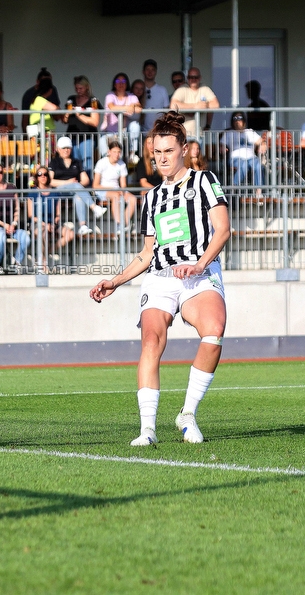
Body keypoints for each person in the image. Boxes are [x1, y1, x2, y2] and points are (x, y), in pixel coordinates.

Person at [90, 111, 230, 446]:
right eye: (157, 152)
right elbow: (148, 252)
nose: (162, 158)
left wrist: (199, 265)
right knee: (152, 340)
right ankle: (147, 430)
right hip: (161, 278)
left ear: (183, 149)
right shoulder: (152, 198)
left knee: (214, 332)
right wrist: (116, 280)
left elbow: (223, 231)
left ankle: (187, 413)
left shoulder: (205, 181)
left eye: (168, 150)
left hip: (200, 274)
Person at [49, 136, 106, 236]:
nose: (66, 150)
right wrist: (68, 182)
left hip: (74, 190)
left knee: (79, 196)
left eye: (68, 148)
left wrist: (74, 184)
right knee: (76, 186)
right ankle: (94, 208)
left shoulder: (76, 162)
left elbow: (85, 180)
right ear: (58, 149)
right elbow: (50, 181)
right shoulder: (54, 162)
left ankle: (83, 226)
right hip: (59, 191)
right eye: (63, 148)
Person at [0, 163, 29, 274]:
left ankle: (17, 263)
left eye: (0, 172)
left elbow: (17, 209)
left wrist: (14, 223)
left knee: (26, 238)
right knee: (1, 236)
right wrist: (4, 225)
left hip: (12, 226)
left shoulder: (12, 188)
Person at [28, 165, 75, 269]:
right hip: (37, 224)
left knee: (70, 234)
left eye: (45, 174)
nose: (43, 176)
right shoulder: (32, 193)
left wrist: (54, 222)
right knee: (43, 232)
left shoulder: (55, 192)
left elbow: (58, 213)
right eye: (40, 174)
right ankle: (43, 262)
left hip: (52, 223)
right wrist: (45, 224)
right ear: (36, 177)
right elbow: (31, 215)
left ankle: (48, 251)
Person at [92, 139, 136, 233]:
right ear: (109, 152)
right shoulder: (101, 162)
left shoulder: (122, 164)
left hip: (117, 190)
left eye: (119, 152)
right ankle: (119, 225)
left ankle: (125, 224)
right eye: (114, 152)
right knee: (116, 196)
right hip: (102, 190)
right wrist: (113, 189)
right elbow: (95, 185)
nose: (117, 154)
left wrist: (122, 190)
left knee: (133, 199)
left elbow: (123, 184)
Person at [99, 72, 142, 161]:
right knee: (102, 141)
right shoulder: (110, 95)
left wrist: (133, 106)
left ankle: (132, 154)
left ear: (127, 84)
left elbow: (139, 109)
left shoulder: (131, 96)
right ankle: (107, 162)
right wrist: (128, 107)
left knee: (135, 125)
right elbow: (112, 107)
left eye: (124, 81)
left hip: (124, 131)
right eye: (118, 81)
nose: (121, 83)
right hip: (110, 131)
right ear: (114, 84)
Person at [62, 75, 101, 171]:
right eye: (76, 88)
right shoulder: (71, 99)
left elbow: (95, 122)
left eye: (81, 88)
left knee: (86, 163)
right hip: (72, 136)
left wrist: (79, 115)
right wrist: (67, 114)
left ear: (87, 87)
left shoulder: (93, 101)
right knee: (74, 163)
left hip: (87, 137)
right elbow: (64, 121)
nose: (78, 91)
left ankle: (88, 184)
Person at [170, 67, 219, 138]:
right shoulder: (182, 89)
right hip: (183, 135)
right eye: (190, 77)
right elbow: (173, 105)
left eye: (196, 77)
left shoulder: (205, 89)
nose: (193, 80)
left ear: (200, 78)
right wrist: (195, 107)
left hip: (199, 135)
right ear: (187, 78)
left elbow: (216, 105)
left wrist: (204, 106)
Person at [221, 112, 265, 189]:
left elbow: (262, 142)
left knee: (258, 165)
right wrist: (223, 148)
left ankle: (259, 191)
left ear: (244, 120)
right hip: (235, 158)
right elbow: (222, 145)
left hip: (251, 158)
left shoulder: (249, 132)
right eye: (235, 118)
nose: (237, 120)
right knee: (244, 165)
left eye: (240, 118)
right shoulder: (228, 133)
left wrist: (263, 145)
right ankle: (234, 187)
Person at [21, 68, 60, 132]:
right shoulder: (37, 99)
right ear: (38, 82)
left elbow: (56, 116)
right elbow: (25, 117)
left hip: (47, 132)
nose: (47, 84)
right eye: (45, 82)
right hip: (39, 133)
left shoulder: (52, 91)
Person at [141, 59, 170, 134]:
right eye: (147, 69)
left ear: (156, 72)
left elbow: (166, 110)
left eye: (152, 70)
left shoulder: (162, 90)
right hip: (141, 130)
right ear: (143, 71)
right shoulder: (138, 88)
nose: (150, 72)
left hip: (158, 130)